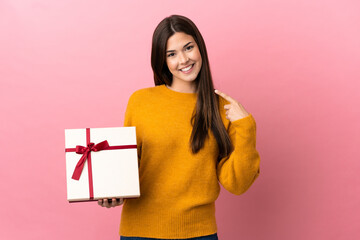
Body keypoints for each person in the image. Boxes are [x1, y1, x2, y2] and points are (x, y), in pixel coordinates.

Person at [98, 14, 261, 240]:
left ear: (200, 47)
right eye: (171, 54)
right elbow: (128, 165)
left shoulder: (222, 108)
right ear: (162, 61)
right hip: (140, 232)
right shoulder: (141, 101)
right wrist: (112, 193)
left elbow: (238, 184)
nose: (183, 59)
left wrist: (246, 127)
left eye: (188, 48)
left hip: (200, 233)